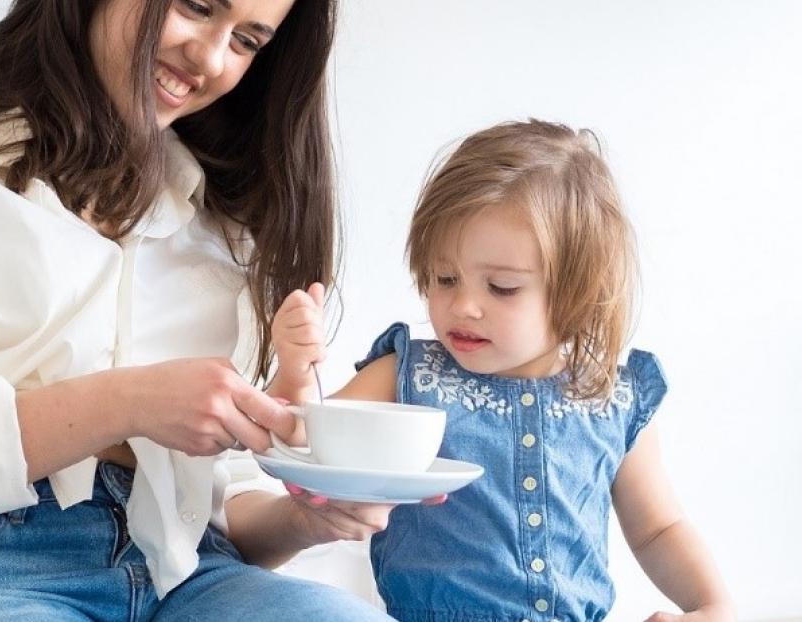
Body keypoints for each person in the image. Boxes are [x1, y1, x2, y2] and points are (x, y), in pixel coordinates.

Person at [0, 0, 396, 619]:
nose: (210, 59)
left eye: (246, 41)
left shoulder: (221, 224)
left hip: (188, 577)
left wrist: (304, 519)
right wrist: (128, 402)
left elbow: (216, 506)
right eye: (198, 6)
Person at [275, 120, 736, 622]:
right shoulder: (408, 375)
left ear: (579, 292)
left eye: (502, 287)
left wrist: (711, 606)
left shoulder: (612, 397)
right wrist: (298, 374)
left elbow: (658, 529)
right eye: (445, 278)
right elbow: (308, 437)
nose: (464, 306)